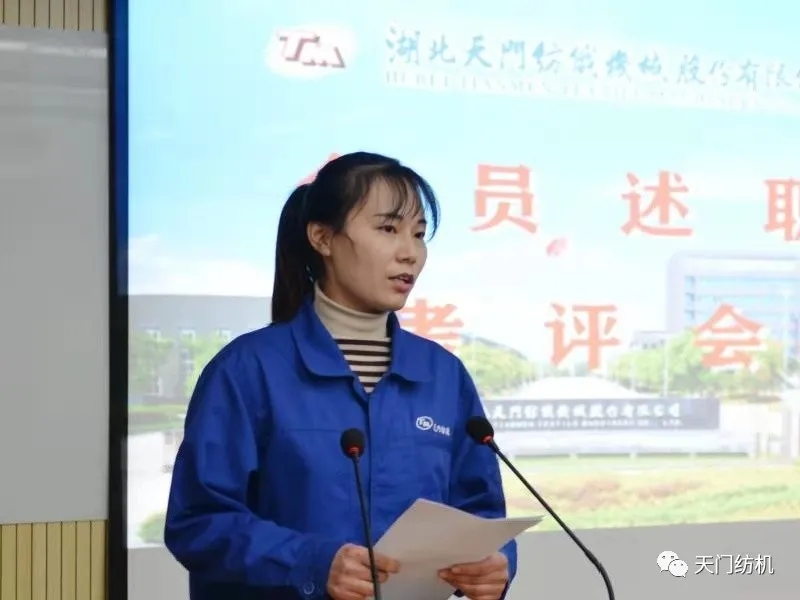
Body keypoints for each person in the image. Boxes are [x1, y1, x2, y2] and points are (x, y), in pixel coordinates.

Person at [164, 151, 517, 600]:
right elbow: (198, 522)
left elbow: (480, 510)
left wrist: (495, 562)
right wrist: (310, 562)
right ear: (322, 238)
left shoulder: (443, 375)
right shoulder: (247, 370)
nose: (410, 252)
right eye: (388, 229)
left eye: (418, 234)